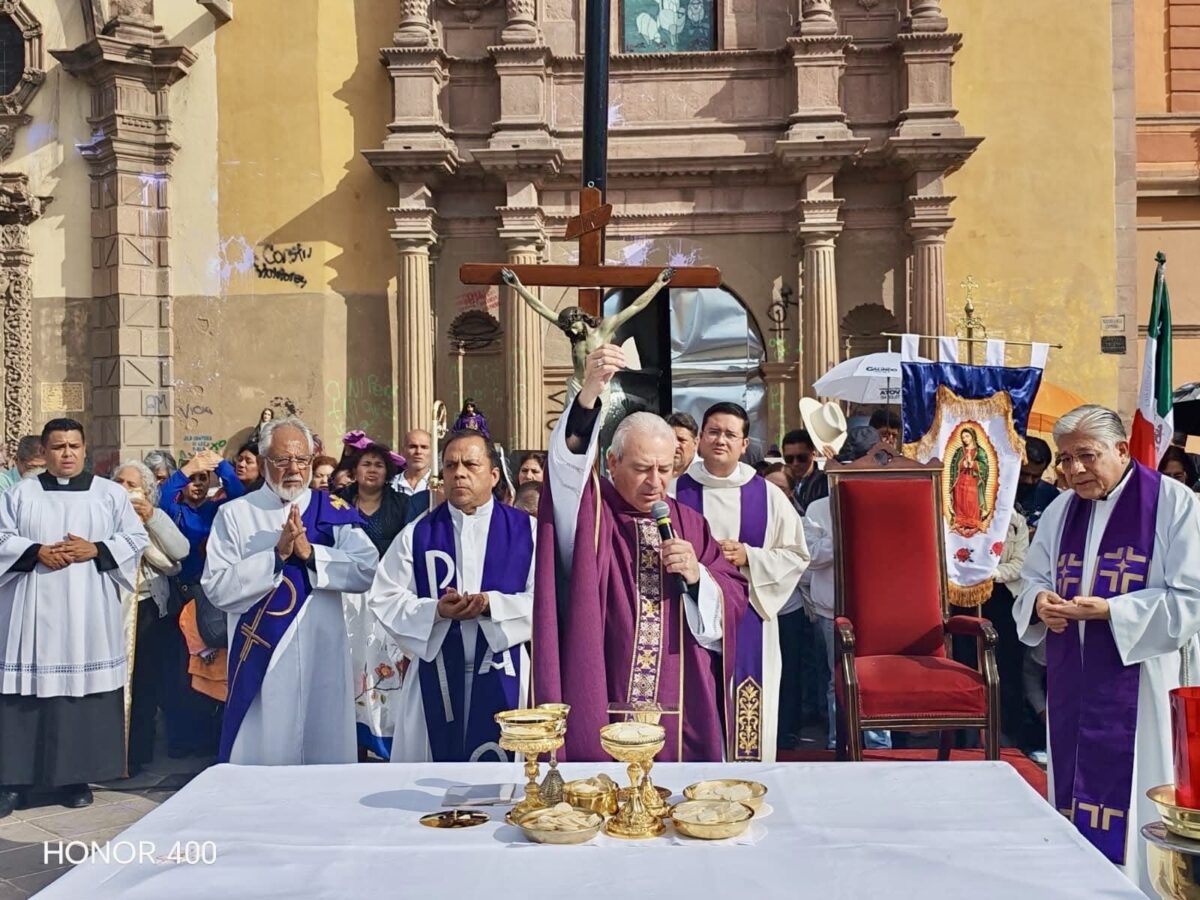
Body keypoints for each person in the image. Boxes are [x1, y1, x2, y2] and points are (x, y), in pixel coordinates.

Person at [1015, 404, 1200, 894]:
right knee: (1074, 794)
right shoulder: (1060, 509)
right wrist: (1040, 602)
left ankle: (1138, 887)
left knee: (1138, 789)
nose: (1074, 469)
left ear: (1121, 450)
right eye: (1066, 458)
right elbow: (1032, 576)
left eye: (1087, 456)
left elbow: (1191, 600)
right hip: (1074, 677)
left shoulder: (1175, 505)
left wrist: (1113, 613)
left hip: (1140, 683)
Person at [533, 344, 748, 762]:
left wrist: (699, 577)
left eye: (665, 469)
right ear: (612, 463)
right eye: (641, 468)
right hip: (604, 696)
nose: (655, 482)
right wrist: (589, 396)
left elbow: (733, 599)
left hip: (678, 707)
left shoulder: (689, 523)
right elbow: (566, 470)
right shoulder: (593, 516)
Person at [201, 416, 378, 765]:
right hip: (262, 661)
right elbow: (217, 588)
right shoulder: (235, 515)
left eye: (302, 460)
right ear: (264, 461)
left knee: (324, 746)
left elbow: (366, 570)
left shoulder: (333, 511)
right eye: (282, 460)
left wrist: (312, 555)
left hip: (323, 655)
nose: (294, 469)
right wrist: (276, 557)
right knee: (265, 748)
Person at [0, 419, 148, 816]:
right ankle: (13, 782)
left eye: (73, 446)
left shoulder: (109, 494)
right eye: (58, 447)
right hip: (30, 609)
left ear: (85, 450)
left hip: (87, 611)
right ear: (45, 452)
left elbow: (136, 538)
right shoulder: (20, 493)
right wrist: (34, 552)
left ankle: (75, 779)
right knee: (21, 695)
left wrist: (96, 549)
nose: (67, 454)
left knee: (83, 690)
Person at [368, 431, 537, 762]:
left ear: (493, 475)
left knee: (505, 782)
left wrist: (493, 605)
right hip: (437, 671)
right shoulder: (419, 532)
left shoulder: (527, 531)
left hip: (506, 670)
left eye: (471, 464)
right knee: (429, 786)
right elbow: (384, 596)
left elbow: (547, 601)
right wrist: (436, 612)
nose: (459, 472)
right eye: (450, 465)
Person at [673, 401, 809, 761]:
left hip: (748, 617)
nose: (721, 440)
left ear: (744, 444)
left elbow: (797, 555)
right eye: (713, 432)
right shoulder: (674, 492)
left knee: (745, 714)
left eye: (730, 434)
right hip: (685, 618)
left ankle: (745, 784)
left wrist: (750, 556)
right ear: (700, 439)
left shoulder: (767, 495)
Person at [802, 426, 891, 751]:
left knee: (878, 679)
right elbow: (811, 556)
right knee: (836, 679)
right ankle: (840, 742)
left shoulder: (887, 504)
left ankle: (879, 747)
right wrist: (845, 531)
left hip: (879, 610)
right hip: (833, 609)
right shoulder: (818, 508)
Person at [337, 441, 426, 759]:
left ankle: (388, 739)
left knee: (386, 665)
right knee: (352, 661)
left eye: (378, 464)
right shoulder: (339, 503)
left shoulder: (402, 504)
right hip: (348, 598)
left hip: (387, 595)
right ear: (355, 470)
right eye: (366, 464)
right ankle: (354, 736)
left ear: (387, 471)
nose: (372, 470)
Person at [157, 448, 246, 757]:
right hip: (181, 595)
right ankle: (184, 739)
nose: (196, 485)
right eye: (192, 480)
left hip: (211, 597)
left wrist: (220, 464)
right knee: (184, 670)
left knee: (215, 665)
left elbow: (238, 492)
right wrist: (186, 469)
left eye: (202, 479)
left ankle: (214, 736)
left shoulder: (217, 510)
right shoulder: (176, 510)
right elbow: (163, 498)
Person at [111, 460, 189, 775]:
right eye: (120, 482)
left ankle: (137, 753)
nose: (125, 490)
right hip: (111, 606)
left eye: (132, 485)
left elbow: (179, 551)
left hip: (145, 606)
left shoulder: (156, 516)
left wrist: (152, 519)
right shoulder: (103, 517)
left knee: (143, 681)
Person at [1015, 436, 1060, 533]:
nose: (1029, 481)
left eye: (1036, 476)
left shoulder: (1052, 497)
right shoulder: (995, 490)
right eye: (1023, 474)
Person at [781, 429, 827, 515]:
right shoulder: (778, 481)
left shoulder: (825, 483)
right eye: (789, 459)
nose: (795, 463)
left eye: (802, 457)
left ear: (813, 455)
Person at [395, 429, 433, 496]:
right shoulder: (391, 484)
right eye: (413, 447)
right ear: (403, 451)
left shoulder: (441, 485)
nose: (418, 452)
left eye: (424, 447)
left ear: (432, 451)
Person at [665, 411, 699, 479]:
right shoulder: (656, 472)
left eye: (681, 440)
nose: (675, 445)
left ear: (695, 444)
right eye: (670, 439)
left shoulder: (705, 474)